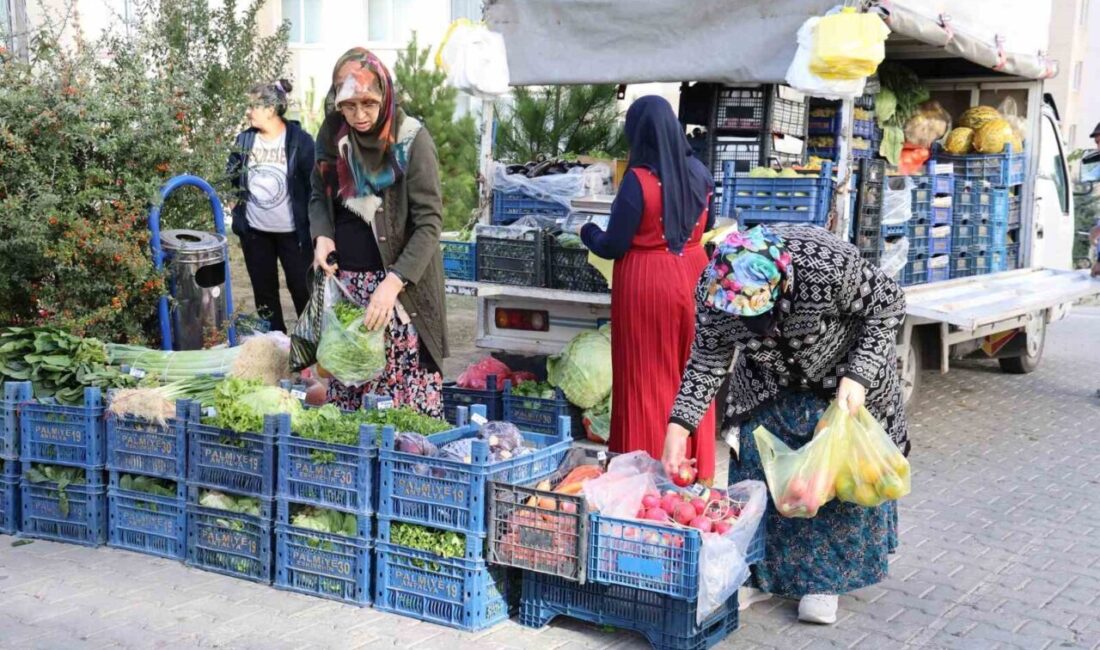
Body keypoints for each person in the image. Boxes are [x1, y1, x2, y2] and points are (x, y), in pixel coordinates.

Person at [664, 223, 909, 625]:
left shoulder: (824, 264)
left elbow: (888, 305)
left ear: (783, 288)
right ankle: (761, 574)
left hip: (841, 375)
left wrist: (858, 377)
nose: (750, 324)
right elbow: (708, 360)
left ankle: (822, 581)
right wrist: (679, 427)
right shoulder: (714, 291)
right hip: (765, 381)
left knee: (830, 478)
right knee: (760, 473)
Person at [581, 95, 718, 484]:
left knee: (648, 376)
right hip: (694, 274)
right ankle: (696, 470)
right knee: (693, 374)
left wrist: (586, 231)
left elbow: (613, 245)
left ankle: (646, 477)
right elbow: (705, 224)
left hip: (646, 283)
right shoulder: (701, 174)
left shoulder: (637, 182)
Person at [309, 47, 447, 417]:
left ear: (384, 96)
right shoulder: (332, 133)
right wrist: (322, 235)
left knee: (400, 412)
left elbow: (430, 222)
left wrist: (393, 283)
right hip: (349, 289)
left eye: (368, 104)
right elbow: (318, 193)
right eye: (349, 106)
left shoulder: (412, 140)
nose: (360, 116)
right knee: (348, 404)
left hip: (400, 295)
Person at [227, 79, 316, 333]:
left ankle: (311, 345)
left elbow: (315, 187)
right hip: (255, 233)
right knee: (264, 295)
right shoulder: (244, 140)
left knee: (302, 289)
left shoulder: (301, 141)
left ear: (270, 109)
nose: (248, 111)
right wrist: (236, 208)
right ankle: (277, 342)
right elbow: (231, 176)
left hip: (294, 234)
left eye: (253, 106)